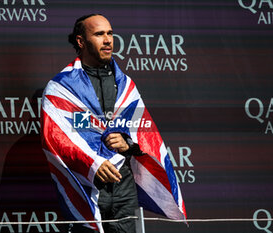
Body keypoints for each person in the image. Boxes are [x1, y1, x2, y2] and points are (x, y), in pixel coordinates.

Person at [41, 14, 186, 233]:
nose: (108, 40)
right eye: (99, 34)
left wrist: (128, 144)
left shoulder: (125, 85)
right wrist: (93, 163)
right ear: (81, 41)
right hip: (86, 185)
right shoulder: (62, 88)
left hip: (123, 186)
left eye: (110, 33)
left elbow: (144, 133)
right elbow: (56, 139)